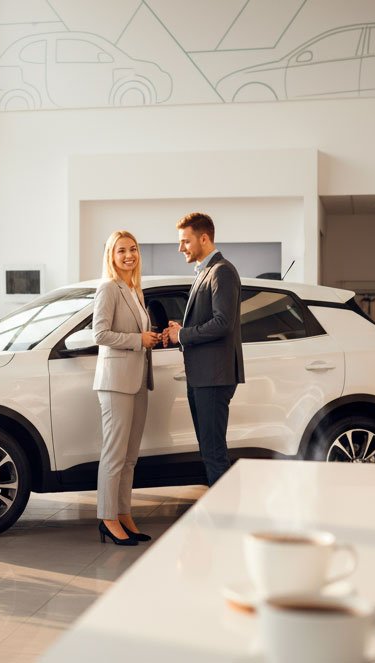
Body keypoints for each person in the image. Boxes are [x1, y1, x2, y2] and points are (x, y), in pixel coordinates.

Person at [165, 213, 244, 486]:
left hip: (213, 378)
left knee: (213, 453)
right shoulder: (205, 272)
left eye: (185, 242)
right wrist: (181, 328)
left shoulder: (222, 271)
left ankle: (225, 517)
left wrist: (183, 335)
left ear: (204, 238)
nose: (181, 248)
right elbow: (210, 319)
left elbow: (223, 323)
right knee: (209, 450)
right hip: (202, 377)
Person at [93, 230, 160, 546]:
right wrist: (138, 341)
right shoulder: (108, 288)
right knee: (114, 454)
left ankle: (123, 514)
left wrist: (150, 338)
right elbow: (100, 334)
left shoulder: (135, 290)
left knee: (130, 456)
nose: (129, 255)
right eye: (122, 251)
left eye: (133, 249)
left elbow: (135, 333)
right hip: (116, 383)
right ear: (111, 255)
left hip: (137, 380)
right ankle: (107, 518)